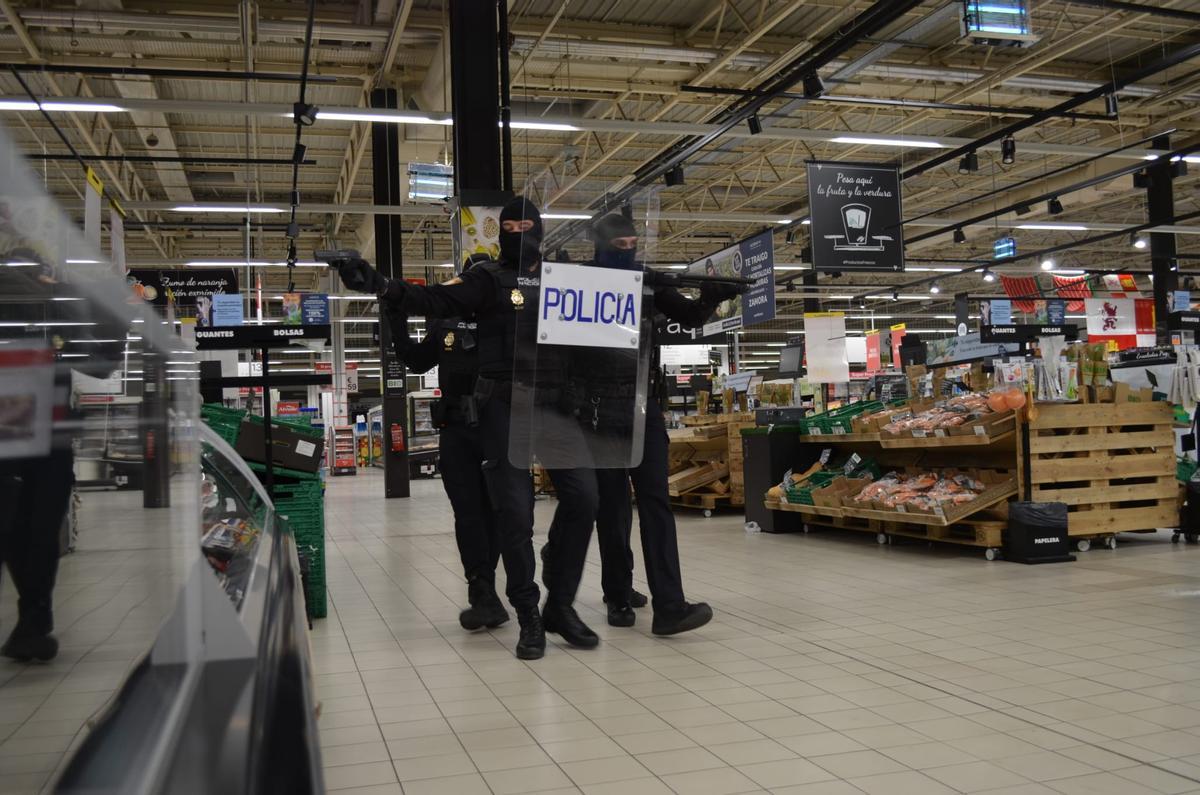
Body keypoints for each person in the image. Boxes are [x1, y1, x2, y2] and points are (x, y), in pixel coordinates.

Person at [331, 197, 600, 660]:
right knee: (513, 516)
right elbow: (434, 297)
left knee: (586, 498)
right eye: (510, 225)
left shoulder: (564, 282)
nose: (519, 230)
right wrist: (382, 286)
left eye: (527, 223)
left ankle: (560, 603)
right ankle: (528, 615)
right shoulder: (486, 282)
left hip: (556, 408)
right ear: (499, 233)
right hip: (501, 410)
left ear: (542, 228)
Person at [549, 212, 740, 634]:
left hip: (642, 404)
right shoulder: (580, 283)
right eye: (619, 242)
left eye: (633, 241)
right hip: (599, 410)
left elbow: (689, 318)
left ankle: (670, 606)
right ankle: (618, 593)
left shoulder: (646, 281)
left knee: (655, 502)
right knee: (614, 507)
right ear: (600, 243)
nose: (628, 248)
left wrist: (709, 298)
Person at [0, 257, 121, 662]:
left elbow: (100, 362)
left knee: (38, 534)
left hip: (47, 434)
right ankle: (33, 621)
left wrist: (114, 315)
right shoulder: (22, 293)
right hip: (13, 428)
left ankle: (34, 622)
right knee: (20, 531)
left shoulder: (58, 304)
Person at [394, 253, 507, 632]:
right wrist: (395, 317)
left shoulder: (504, 321)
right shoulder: (445, 322)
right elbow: (416, 362)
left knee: (500, 512)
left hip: (497, 425)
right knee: (468, 512)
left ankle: (497, 590)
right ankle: (482, 591)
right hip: (456, 427)